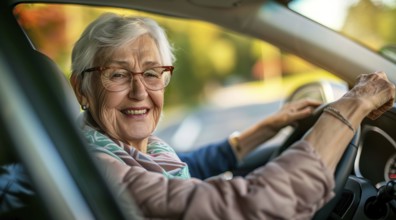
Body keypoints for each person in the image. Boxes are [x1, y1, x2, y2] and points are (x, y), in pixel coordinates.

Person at [70, 13, 395, 219]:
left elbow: (188, 167)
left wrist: (267, 128)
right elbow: (247, 207)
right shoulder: (95, 166)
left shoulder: (140, 150)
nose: (140, 92)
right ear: (81, 88)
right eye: (117, 74)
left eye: (152, 73)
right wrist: (349, 108)